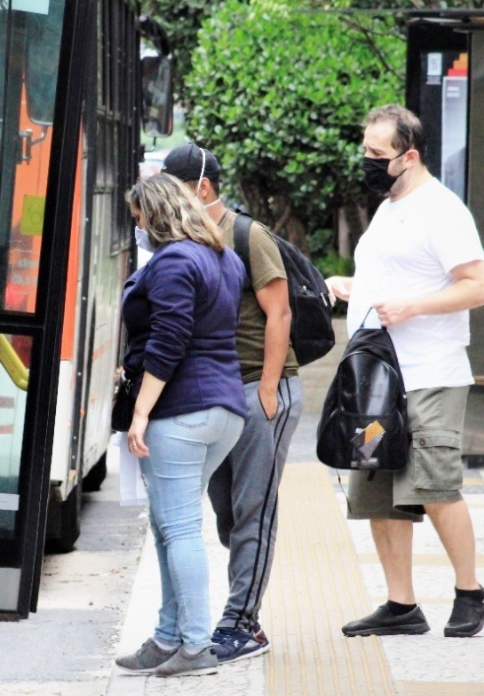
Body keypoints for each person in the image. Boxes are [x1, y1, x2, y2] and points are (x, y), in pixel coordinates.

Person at [324, 104, 484, 638]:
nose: (369, 163)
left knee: (434, 483)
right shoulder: (388, 207)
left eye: (378, 155)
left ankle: (471, 593)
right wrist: (355, 288)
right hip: (379, 376)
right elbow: (395, 275)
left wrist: (415, 307)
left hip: (429, 374)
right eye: (366, 152)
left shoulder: (441, 210)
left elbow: (481, 286)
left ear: (410, 155)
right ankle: (402, 605)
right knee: (376, 486)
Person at [162, 143, 302, 662]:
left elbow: (280, 312)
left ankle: (242, 623)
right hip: (220, 393)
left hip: (261, 389)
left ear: (201, 188)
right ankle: (243, 610)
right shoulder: (188, 237)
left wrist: (268, 391)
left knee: (253, 512)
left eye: (174, 192)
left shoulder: (248, 234)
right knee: (226, 513)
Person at [113, 173, 248, 677]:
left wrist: (142, 412)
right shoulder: (223, 258)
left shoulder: (172, 261)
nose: (139, 227)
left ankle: (195, 645)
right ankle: (168, 638)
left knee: (180, 528)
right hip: (224, 410)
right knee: (170, 526)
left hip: (181, 410)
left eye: (140, 218)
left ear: (156, 213)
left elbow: (169, 340)